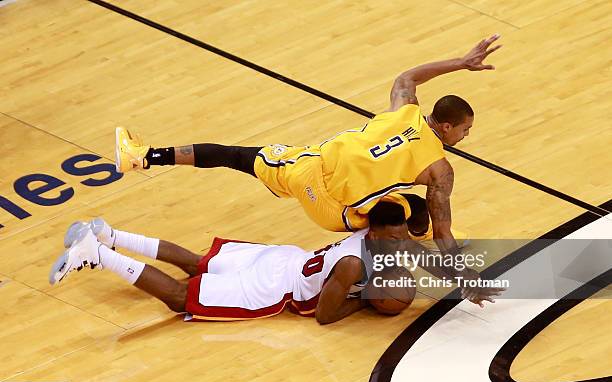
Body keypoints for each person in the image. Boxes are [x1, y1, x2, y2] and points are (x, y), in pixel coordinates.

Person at [114, 35, 502, 256]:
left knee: (235, 156)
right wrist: (465, 276)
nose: (465, 137)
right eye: (464, 130)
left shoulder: (407, 109)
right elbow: (444, 232)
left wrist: (460, 62)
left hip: (308, 169)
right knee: (413, 209)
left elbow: (407, 77)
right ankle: (385, 259)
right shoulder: (440, 169)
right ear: (447, 126)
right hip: (335, 211)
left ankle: (143, 158)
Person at [50, 201, 501, 324]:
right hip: (274, 288)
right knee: (177, 296)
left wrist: (468, 283)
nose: (403, 242)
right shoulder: (352, 267)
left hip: (283, 258)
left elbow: (426, 260)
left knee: (194, 262)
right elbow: (324, 316)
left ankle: (110, 233)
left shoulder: (376, 233)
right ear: (380, 233)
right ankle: (99, 253)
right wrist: (363, 303)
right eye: (398, 236)